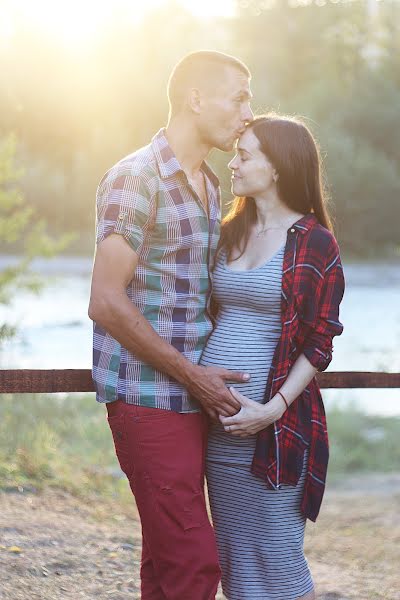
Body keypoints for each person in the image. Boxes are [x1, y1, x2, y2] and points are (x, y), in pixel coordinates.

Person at [88, 50, 253, 600]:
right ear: (195, 98)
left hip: (191, 399)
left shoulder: (209, 184)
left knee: (165, 564)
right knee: (193, 564)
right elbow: (106, 302)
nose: (247, 112)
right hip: (147, 398)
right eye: (238, 98)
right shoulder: (136, 178)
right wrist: (194, 375)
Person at [200, 114, 345, 600]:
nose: (233, 162)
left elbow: (320, 340)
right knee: (235, 557)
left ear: (278, 166)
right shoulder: (227, 232)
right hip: (221, 427)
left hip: (277, 428)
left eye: (245, 154)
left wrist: (271, 408)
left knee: (278, 554)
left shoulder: (316, 242)